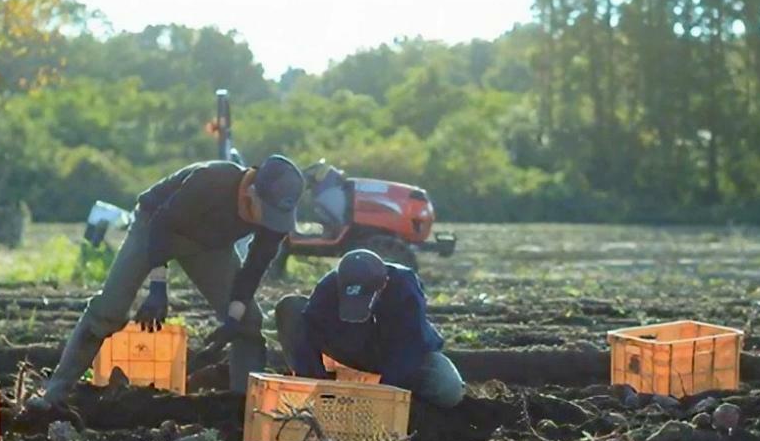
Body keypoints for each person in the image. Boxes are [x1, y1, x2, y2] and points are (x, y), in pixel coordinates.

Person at [33, 155, 305, 406]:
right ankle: (54, 394)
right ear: (251, 191)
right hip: (154, 227)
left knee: (247, 323)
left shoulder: (275, 224)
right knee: (109, 310)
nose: (272, 223)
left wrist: (233, 318)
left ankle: (245, 410)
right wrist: (157, 287)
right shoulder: (212, 180)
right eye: (268, 212)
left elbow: (254, 268)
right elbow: (163, 223)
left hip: (210, 245)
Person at [275, 248, 464, 407]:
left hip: (396, 352)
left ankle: (414, 408)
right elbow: (308, 330)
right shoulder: (329, 286)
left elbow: (409, 346)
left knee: (448, 388)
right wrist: (317, 386)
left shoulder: (404, 287)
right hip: (353, 345)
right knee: (291, 307)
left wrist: (382, 393)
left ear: (383, 286)